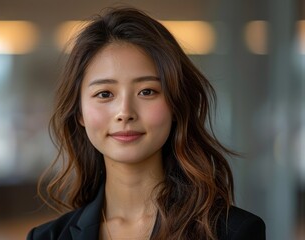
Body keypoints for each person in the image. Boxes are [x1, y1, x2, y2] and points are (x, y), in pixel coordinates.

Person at [27, 7, 265, 240]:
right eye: (104, 94)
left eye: (147, 91)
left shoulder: (234, 232)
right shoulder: (46, 237)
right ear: (79, 112)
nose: (125, 112)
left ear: (176, 105)